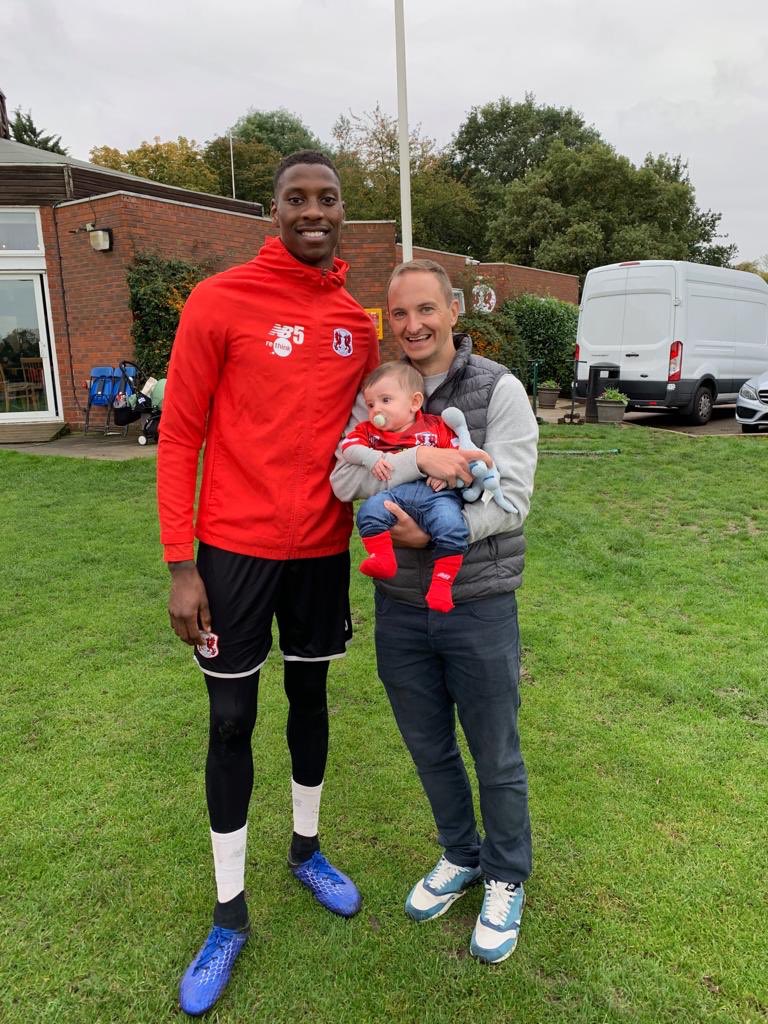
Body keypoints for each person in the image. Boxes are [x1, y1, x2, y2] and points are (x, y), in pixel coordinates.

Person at [157, 150, 378, 1017]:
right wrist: (182, 564)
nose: (313, 211)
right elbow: (179, 438)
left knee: (312, 700)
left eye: (327, 198)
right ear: (273, 210)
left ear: (341, 212)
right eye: (297, 198)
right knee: (232, 718)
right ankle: (228, 912)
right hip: (233, 555)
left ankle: (307, 850)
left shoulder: (356, 324)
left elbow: (381, 425)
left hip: (321, 552)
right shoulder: (218, 302)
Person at [331, 259, 538, 964]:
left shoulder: (497, 388)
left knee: (495, 752)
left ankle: (506, 876)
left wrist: (430, 532)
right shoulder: (383, 391)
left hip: (477, 602)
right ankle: (461, 853)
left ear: (454, 309)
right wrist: (420, 461)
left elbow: (510, 500)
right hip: (400, 607)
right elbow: (345, 477)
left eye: (426, 310)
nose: (413, 325)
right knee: (429, 746)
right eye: (399, 314)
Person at [340, 360, 481, 612]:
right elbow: (348, 448)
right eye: (370, 404)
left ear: (414, 402)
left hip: (438, 495)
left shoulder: (434, 426)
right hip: (394, 494)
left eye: (385, 400)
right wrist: (370, 457)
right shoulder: (370, 432)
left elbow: (459, 454)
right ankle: (383, 559)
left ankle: (441, 584)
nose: (375, 410)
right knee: (369, 511)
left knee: (451, 526)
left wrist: (446, 474)